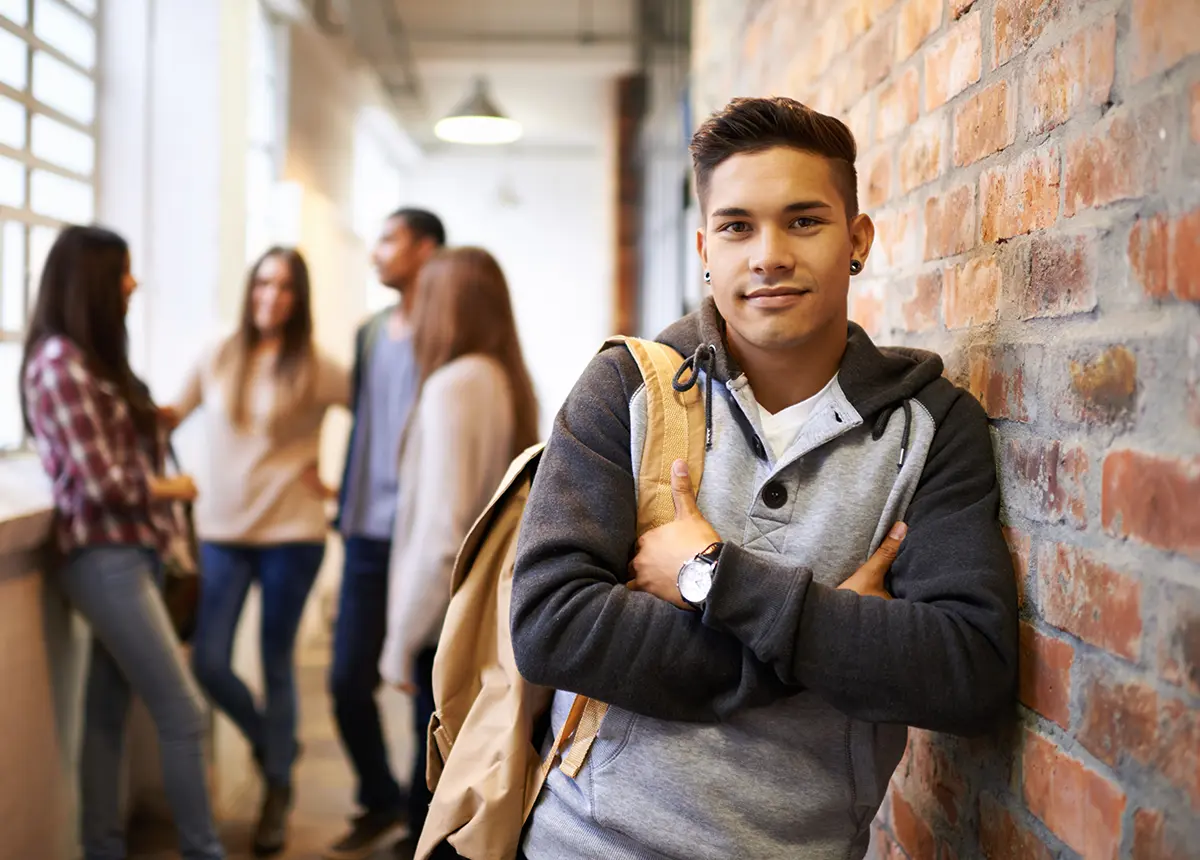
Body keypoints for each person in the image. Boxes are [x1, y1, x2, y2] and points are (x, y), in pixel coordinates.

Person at [510, 96, 1019, 860]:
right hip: (585, 844)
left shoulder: (933, 429)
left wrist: (711, 579)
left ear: (858, 240)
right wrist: (820, 637)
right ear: (704, 248)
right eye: (738, 226)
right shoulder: (627, 388)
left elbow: (967, 670)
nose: (769, 254)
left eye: (804, 221)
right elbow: (551, 624)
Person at [20, 225, 225, 860]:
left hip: (129, 554)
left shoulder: (91, 360)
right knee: (185, 712)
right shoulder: (58, 364)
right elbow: (103, 481)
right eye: (123, 271)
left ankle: (102, 847)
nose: (133, 283)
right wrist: (175, 488)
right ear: (90, 281)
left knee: (107, 715)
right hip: (103, 559)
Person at [166, 246, 348, 856]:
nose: (272, 295)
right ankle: (277, 745)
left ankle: (276, 792)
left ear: (299, 299)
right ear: (250, 290)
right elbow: (170, 415)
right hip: (221, 534)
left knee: (276, 664)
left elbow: (379, 419)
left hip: (291, 537)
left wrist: (340, 486)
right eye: (263, 283)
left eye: (285, 287)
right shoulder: (220, 353)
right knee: (209, 662)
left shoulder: (317, 365)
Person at [377, 247, 539, 856]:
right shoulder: (502, 378)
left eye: (425, 298)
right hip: (473, 610)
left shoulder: (454, 385)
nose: (413, 313)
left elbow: (444, 534)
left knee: (439, 784)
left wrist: (400, 639)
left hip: (446, 614)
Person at [326, 208, 447, 860]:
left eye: (389, 240)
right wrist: (345, 505)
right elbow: (363, 423)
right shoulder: (371, 332)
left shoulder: (447, 334)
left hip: (423, 540)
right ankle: (377, 798)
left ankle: (419, 823)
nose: (377, 253)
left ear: (425, 250)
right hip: (366, 536)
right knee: (348, 681)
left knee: (425, 692)